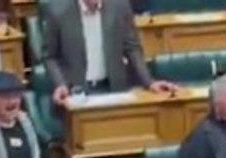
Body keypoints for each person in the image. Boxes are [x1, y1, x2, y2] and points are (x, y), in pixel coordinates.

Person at [39, 0, 176, 104]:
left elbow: (132, 47)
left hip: (114, 90)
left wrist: (149, 82)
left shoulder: (120, 6)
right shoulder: (57, 11)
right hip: (76, 93)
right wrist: (61, 84)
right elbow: (49, 56)